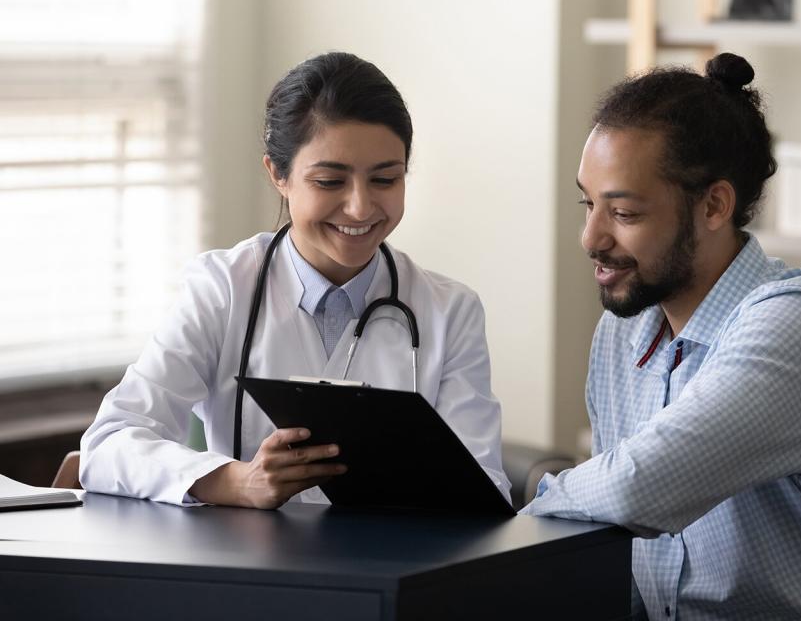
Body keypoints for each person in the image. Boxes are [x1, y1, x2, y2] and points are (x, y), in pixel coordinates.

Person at [521, 53, 801, 620]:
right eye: (588, 204)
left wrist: (534, 506)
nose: (591, 237)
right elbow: (619, 543)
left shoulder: (800, 321)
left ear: (714, 205)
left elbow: (637, 490)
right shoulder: (623, 334)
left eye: (623, 212)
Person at [80, 52, 510, 509]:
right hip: (251, 571)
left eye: (385, 178)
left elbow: (486, 489)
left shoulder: (450, 311)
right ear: (278, 174)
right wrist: (236, 481)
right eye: (329, 182)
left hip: (392, 572)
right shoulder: (222, 289)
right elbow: (108, 444)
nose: (361, 208)